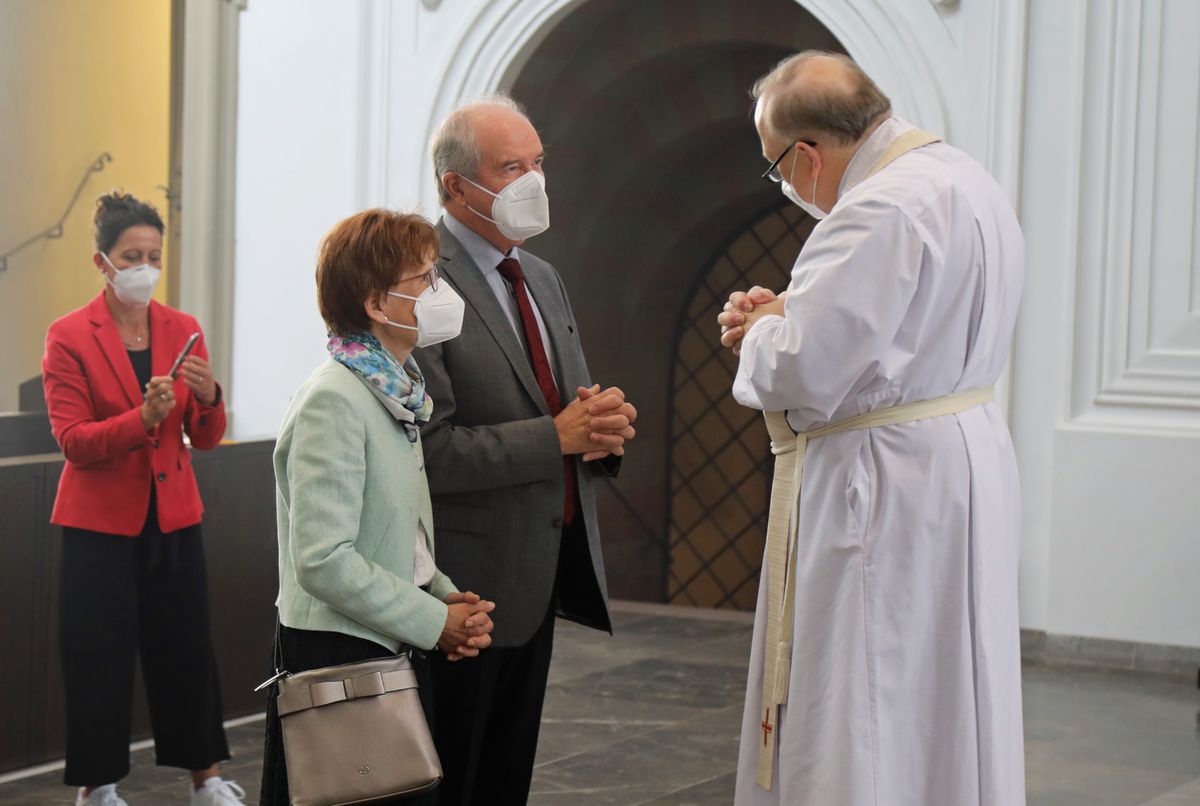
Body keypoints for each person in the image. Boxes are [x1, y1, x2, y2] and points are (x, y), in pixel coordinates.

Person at [716, 52, 1025, 805]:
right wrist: (793, 310)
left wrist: (758, 330)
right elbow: (890, 332)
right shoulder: (966, 179)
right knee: (941, 679)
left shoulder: (876, 207)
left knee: (863, 676)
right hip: (957, 458)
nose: (786, 184)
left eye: (777, 168)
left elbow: (803, 371)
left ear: (807, 153)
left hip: (881, 480)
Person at [414, 94, 638, 804]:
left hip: (541, 565)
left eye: (538, 163)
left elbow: (565, 408)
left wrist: (602, 431)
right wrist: (558, 437)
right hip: (464, 580)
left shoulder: (541, 276)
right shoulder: (418, 278)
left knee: (506, 777)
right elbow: (431, 449)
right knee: (450, 772)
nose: (533, 181)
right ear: (457, 186)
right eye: (511, 167)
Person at [261, 209, 496, 805]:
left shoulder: (393, 388)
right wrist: (430, 620)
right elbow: (324, 560)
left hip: (386, 635)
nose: (440, 291)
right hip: (339, 651)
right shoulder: (334, 400)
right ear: (375, 303)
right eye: (425, 279)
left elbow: (400, 535)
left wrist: (445, 597)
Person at [41, 191, 243, 806]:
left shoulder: (183, 329)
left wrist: (208, 398)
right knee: (97, 655)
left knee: (185, 649)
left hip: (174, 516)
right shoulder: (69, 336)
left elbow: (206, 439)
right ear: (103, 262)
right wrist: (141, 417)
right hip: (98, 525)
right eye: (132, 256)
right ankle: (96, 789)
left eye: (154, 255)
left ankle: (205, 780)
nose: (145, 267)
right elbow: (74, 442)